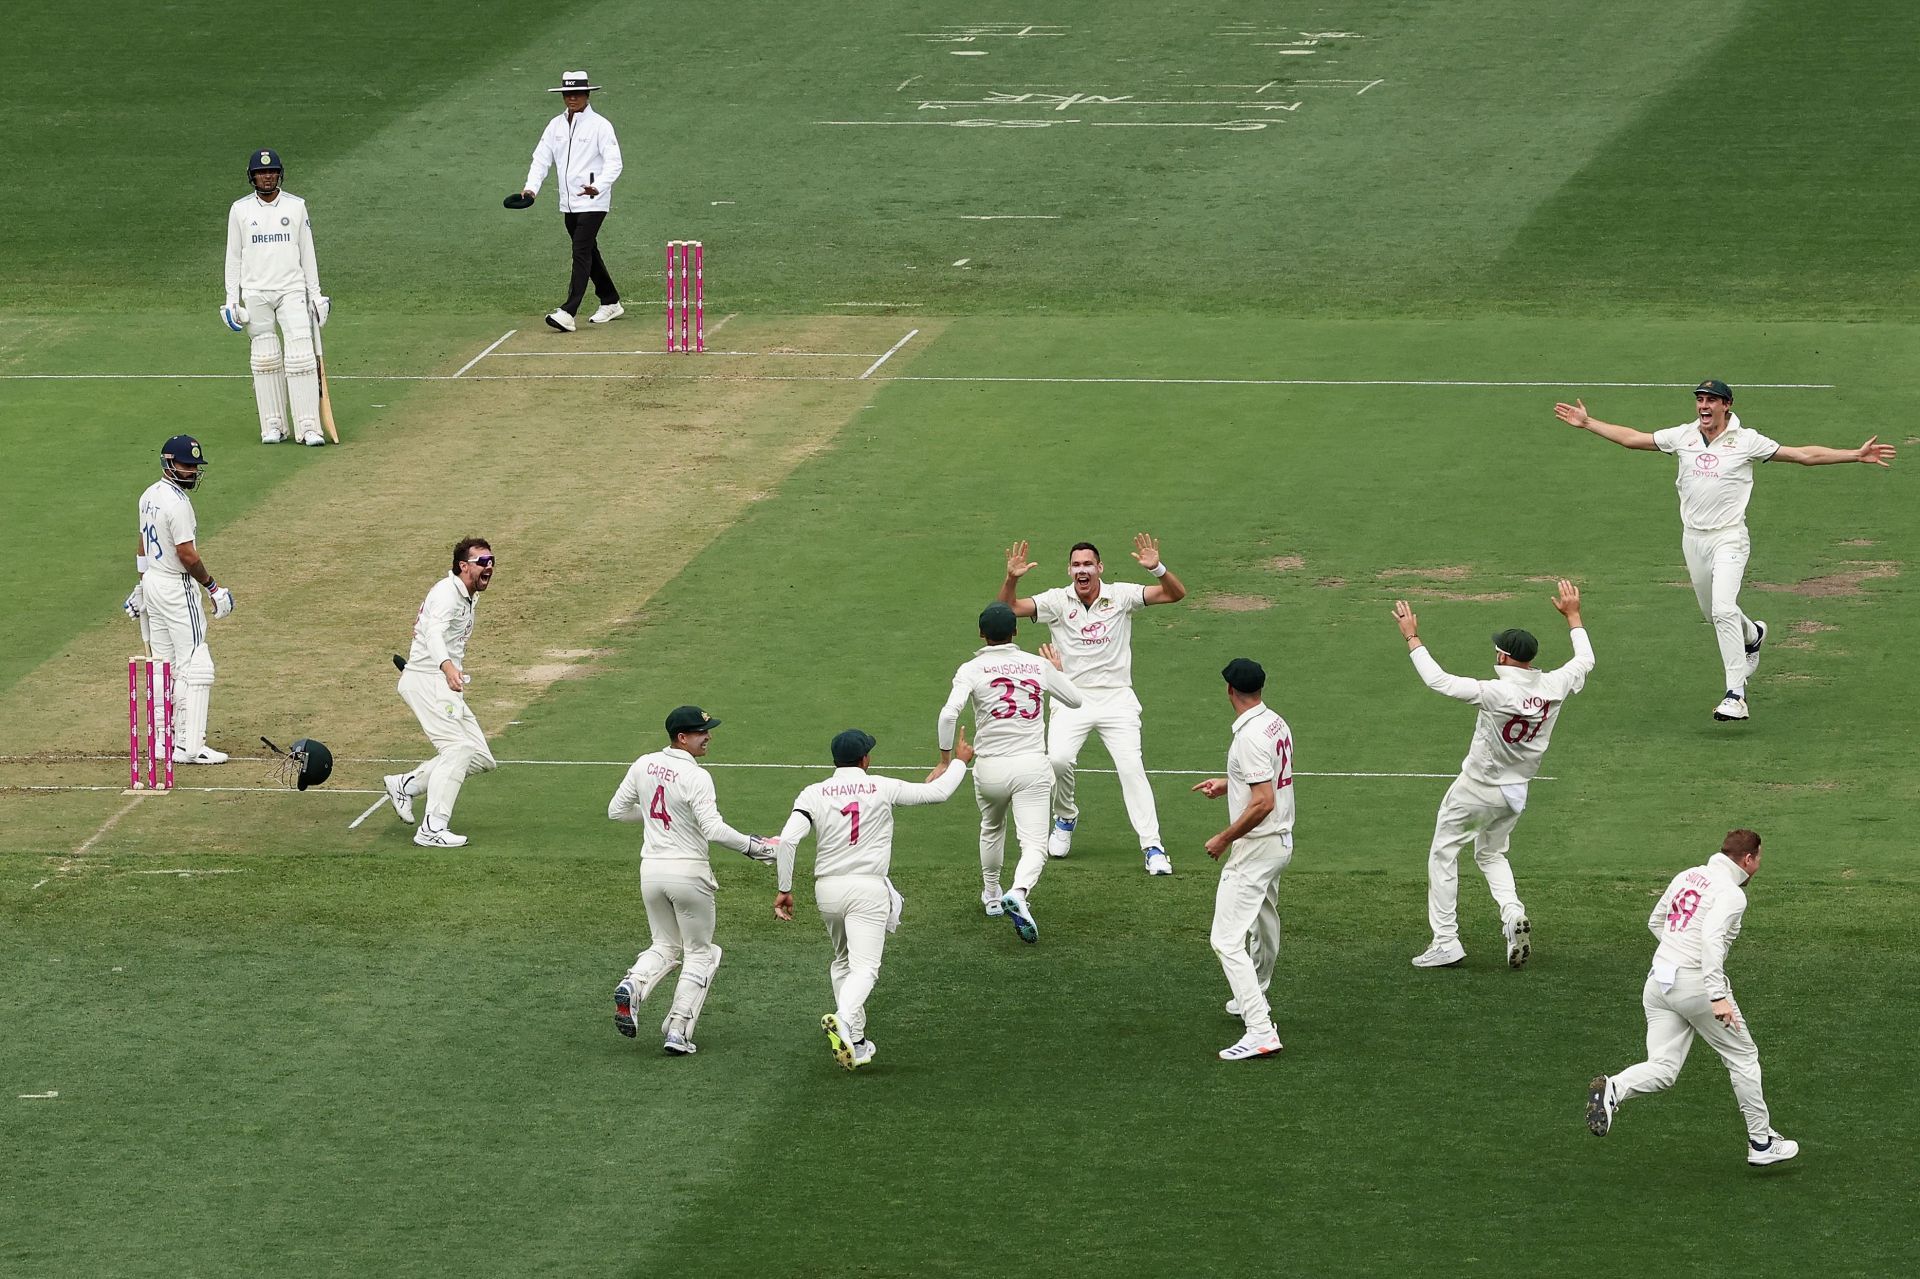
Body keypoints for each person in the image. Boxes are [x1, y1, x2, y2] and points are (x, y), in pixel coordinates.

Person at [1552, 381, 1893, 721]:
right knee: (1714, 613)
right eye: (1700, 399)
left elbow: (1803, 455)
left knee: (1722, 609)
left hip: (1729, 538)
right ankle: (1754, 635)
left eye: (1711, 400)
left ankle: (1736, 694)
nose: (1704, 405)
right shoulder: (1683, 436)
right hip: (1693, 540)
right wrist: (1588, 423)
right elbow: (1633, 439)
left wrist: (1854, 454)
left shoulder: (1746, 441)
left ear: (1727, 405)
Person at [1391, 581, 1595, 970]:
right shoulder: (1554, 684)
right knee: (1490, 852)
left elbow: (1439, 681)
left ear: (1503, 656)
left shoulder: (1496, 692)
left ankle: (1446, 940)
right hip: (1516, 792)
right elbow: (1585, 659)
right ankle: (1511, 912)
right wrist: (1573, 615)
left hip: (1476, 789)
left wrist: (1412, 637)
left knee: (1443, 854)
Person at [1586, 830, 1798, 1167]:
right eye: (1759, 858)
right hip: (1697, 986)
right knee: (1743, 1057)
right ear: (1748, 859)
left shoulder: (1688, 875)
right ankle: (1761, 1142)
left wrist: (1676, 950)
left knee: (1664, 1068)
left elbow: (1657, 921)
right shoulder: (1731, 894)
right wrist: (1717, 996)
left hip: (1659, 982)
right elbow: (1712, 941)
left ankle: (1615, 1088)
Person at [771, 727, 972, 1071]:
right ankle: (844, 1021)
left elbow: (788, 841)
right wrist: (959, 763)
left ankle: (858, 1041)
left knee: (843, 963)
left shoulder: (812, 793)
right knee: (866, 968)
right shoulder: (881, 785)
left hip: (827, 890)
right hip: (868, 889)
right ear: (865, 759)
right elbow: (938, 795)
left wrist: (785, 888)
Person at [998, 534, 1187, 875]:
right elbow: (1007, 609)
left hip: (1117, 699)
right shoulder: (1057, 601)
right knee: (1056, 760)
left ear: (1099, 568)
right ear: (1069, 571)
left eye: (1088, 564)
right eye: (1076, 565)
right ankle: (1066, 816)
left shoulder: (1122, 595)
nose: (1082, 570)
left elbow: (1176, 594)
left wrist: (1157, 567)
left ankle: (1153, 846)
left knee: (1131, 768)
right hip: (1072, 698)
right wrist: (1012, 578)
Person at [610, 707, 776, 1056]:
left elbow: (617, 810)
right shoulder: (697, 776)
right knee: (701, 952)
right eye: (702, 732)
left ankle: (634, 984)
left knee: (665, 945)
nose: (709, 737)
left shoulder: (643, 763)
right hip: (689, 874)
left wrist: (663, 820)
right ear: (681, 737)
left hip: (651, 872)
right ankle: (678, 1030)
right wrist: (755, 847)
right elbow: (713, 829)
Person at [935, 602, 1084, 940]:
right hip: (1031, 765)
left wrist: (946, 761)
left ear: (981, 634)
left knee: (992, 827)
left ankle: (991, 894)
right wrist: (1057, 671)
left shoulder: (971, 668)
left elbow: (948, 715)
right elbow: (1075, 701)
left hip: (990, 768)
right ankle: (1018, 892)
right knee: (1034, 845)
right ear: (1015, 632)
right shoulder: (1037, 664)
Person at [1191, 659, 1294, 1062]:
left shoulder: (1249, 736)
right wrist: (1229, 783)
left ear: (1230, 691)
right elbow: (1267, 780)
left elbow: (1263, 801)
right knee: (1264, 920)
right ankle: (1256, 993)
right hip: (1280, 844)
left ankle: (1260, 1028)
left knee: (1225, 939)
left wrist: (1223, 837)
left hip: (1255, 849)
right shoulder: (1275, 722)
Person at [125, 435, 234, 765]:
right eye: (187, 466)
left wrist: (142, 585)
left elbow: (143, 545)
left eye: (194, 467)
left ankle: (163, 741)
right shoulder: (178, 504)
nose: (192, 472)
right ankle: (191, 744)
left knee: (163, 664)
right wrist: (213, 587)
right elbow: (186, 554)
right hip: (175, 587)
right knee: (195, 663)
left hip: (155, 583)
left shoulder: (149, 495)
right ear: (170, 463)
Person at [382, 539, 499, 848]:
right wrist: (447, 668)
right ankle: (432, 827)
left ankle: (406, 784)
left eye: (492, 560)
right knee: (458, 749)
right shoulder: (447, 594)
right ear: (464, 566)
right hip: (428, 680)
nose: (489, 565)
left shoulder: (466, 594)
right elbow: (433, 634)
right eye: (482, 560)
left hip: (443, 682)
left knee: (481, 757)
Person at [223, 148, 329, 445]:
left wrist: (316, 295)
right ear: (252, 177)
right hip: (255, 292)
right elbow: (233, 257)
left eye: (270, 172)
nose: (266, 177)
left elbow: (307, 253)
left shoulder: (296, 207)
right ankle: (273, 425)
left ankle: (309, 426)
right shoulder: (240, 210)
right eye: (260, 173)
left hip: (291, 290)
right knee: (265, 358)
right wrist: (232, 300)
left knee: (301, 357)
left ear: (279, 174)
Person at [520, 71, 624, 333]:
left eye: (577, 93)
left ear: (587, 94)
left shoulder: (601, 125)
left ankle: (568, 312)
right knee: (589, 252)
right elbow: (541, 159)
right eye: (568, 94)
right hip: (568, 203)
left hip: (594, 201)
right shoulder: (555, 126)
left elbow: (614, 163)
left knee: (580, 251)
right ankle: (610, 301)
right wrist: (531, 189)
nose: (572, 98)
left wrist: (597, 186)